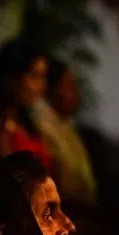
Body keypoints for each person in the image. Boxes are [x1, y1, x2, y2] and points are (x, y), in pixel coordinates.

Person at [32, 59, 97, 209]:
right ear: (50, 88)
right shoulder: (41, 125)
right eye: (68, 85)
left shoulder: (64, 126)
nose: (75, 93)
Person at [0, 39, 54, 173]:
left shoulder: (28, 123)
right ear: (10, 77)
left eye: (43, 77)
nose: (42, 86)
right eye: (35, 76)